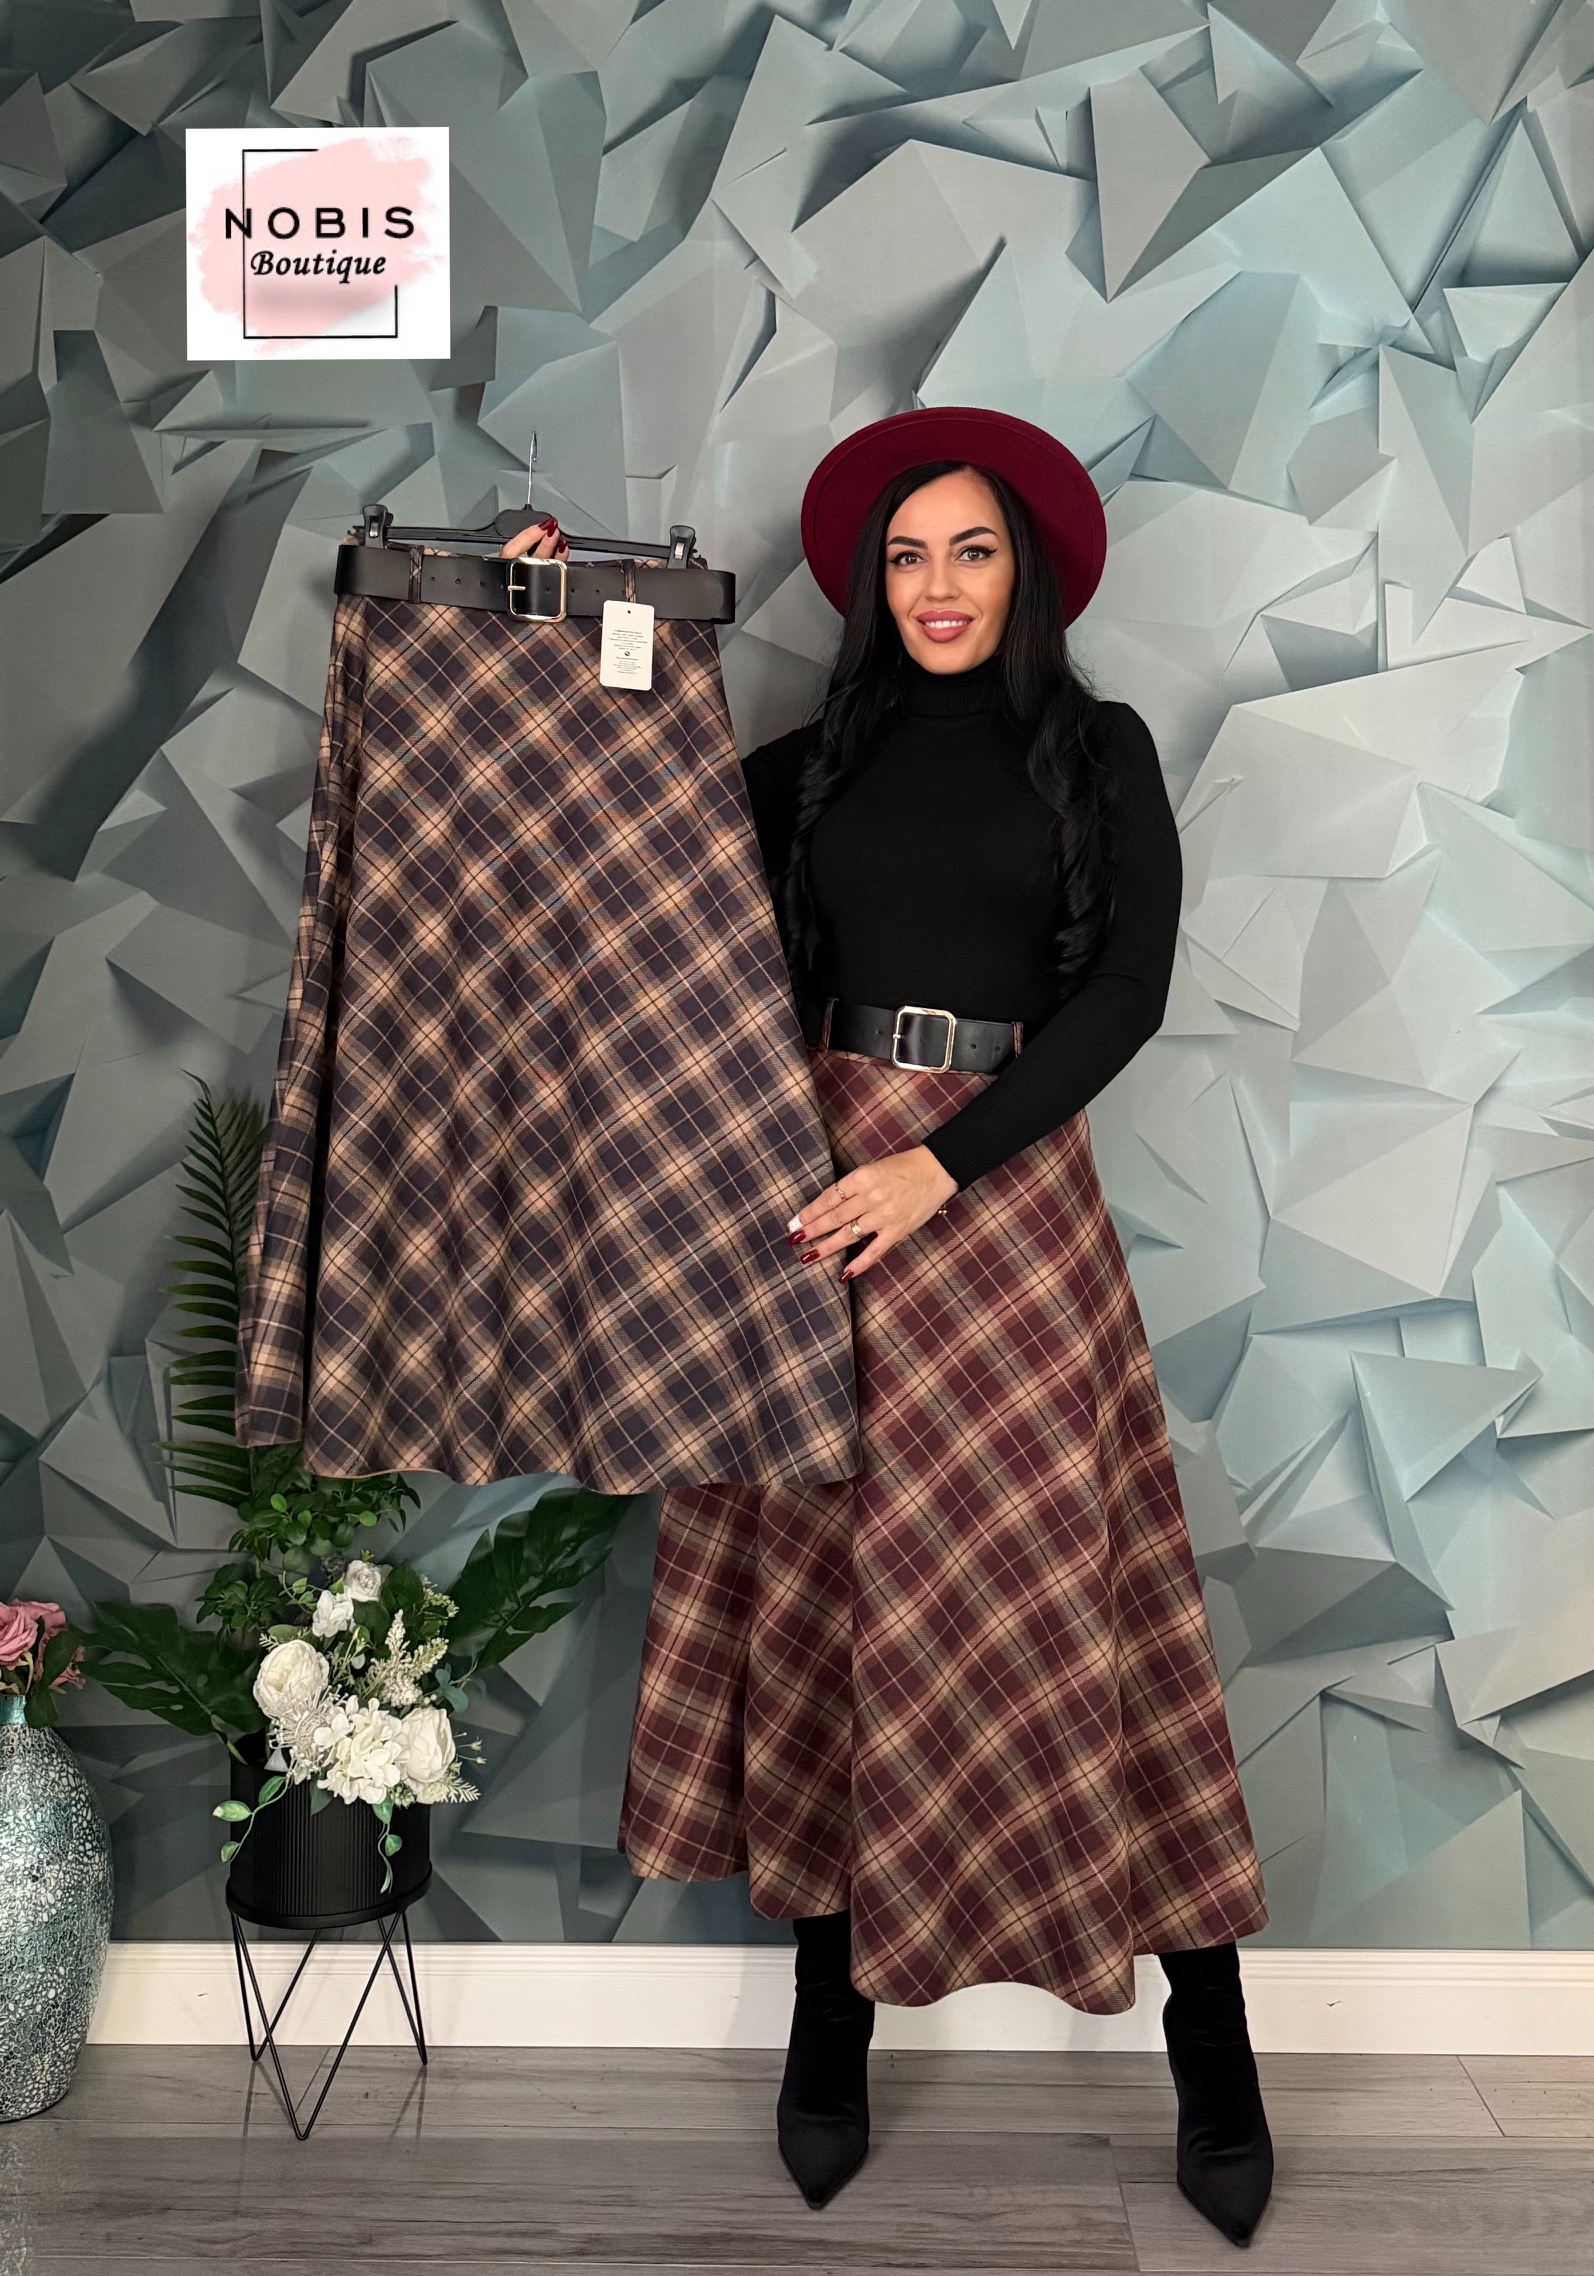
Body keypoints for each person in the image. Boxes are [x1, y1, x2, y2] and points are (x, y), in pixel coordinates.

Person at [504, 407, 1273, 2250]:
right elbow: (619, 830)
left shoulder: (1097, 748)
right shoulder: (802, 768)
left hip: (1002, 1205)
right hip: (813, 1212)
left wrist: (943, 1166)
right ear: (869, 582)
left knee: (1079, 1603)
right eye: (905, 556)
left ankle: (1217, 2055)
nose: (936, 585)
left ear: (1025, 576)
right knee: (833, 1599)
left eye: (970, 551)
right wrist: (546, 622)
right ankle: (826, 2028)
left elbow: (1127, 993)